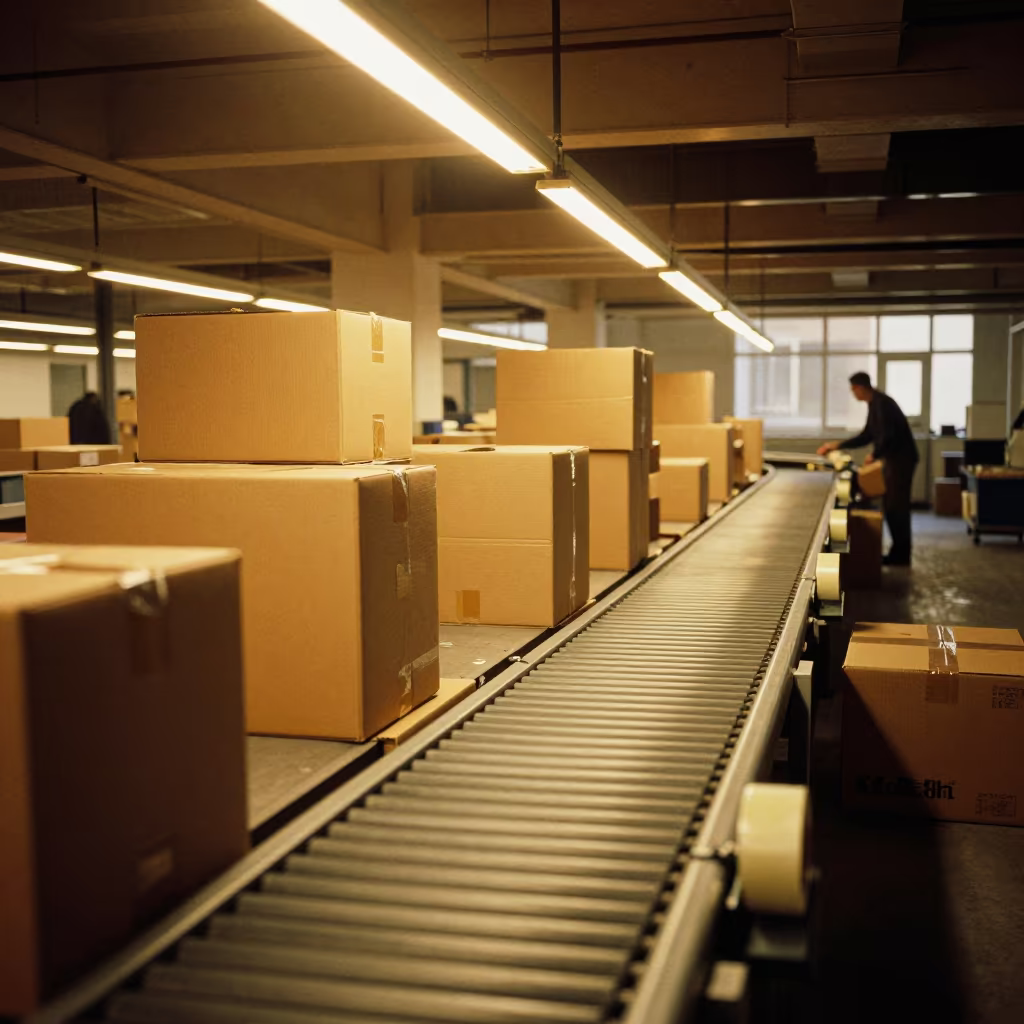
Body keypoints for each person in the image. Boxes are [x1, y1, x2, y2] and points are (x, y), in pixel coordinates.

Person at [818, 371, 919, 566]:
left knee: (896, 506)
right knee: (891, 505)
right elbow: (867, 435)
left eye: (853, 390)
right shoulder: (875, 404)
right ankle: (898, 552)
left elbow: (888, 435)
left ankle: (901, 555)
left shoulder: (883, 404)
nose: (853, 394)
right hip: (894, 460)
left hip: (901, 461)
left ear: (860, 388)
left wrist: (875, 455)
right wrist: (837, 445)